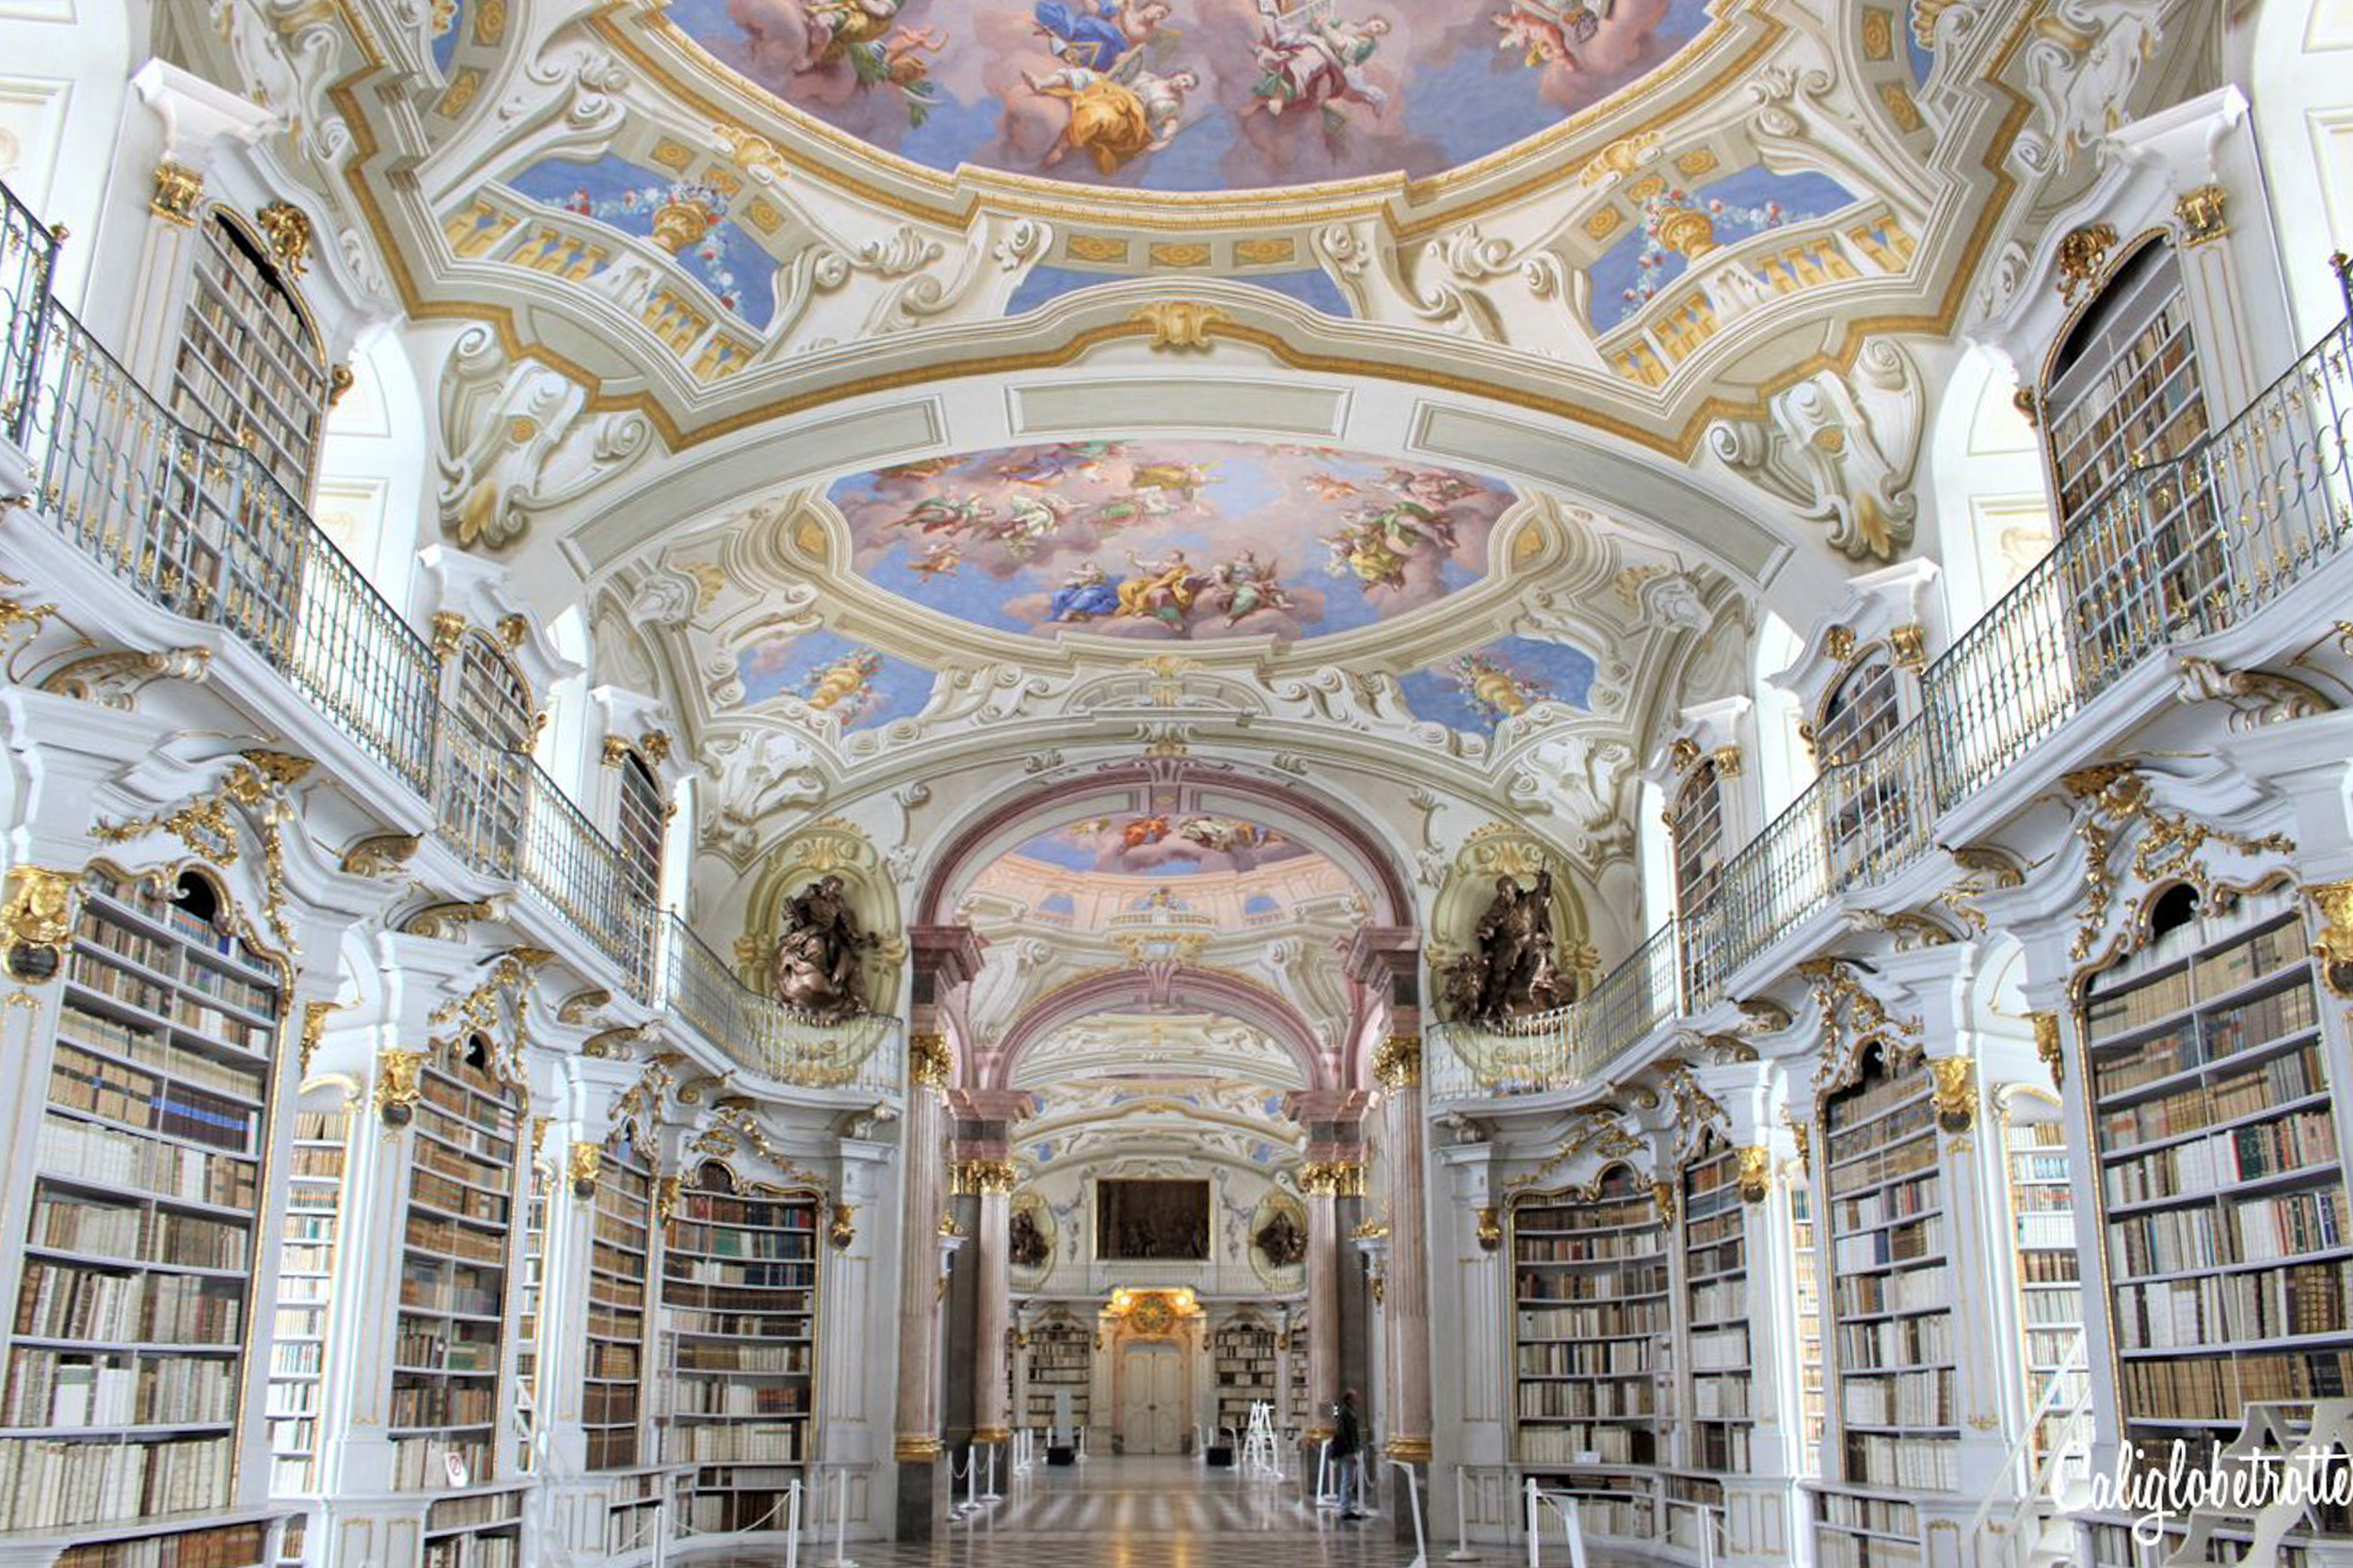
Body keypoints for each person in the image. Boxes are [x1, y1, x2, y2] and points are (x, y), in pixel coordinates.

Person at [1331, 1387, 1369, 1520]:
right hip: (1347, 1452)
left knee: (1349, 1480)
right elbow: (1344, 1434)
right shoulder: (1344, 1413)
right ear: (1349, 1399)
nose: (1357, 1399)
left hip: (1350, 1450)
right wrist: (1351, 1450)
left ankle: (1346, 1508)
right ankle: (1344, 1510)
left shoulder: (1349, 1412)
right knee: (1347, 1480)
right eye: (1355, 1397)